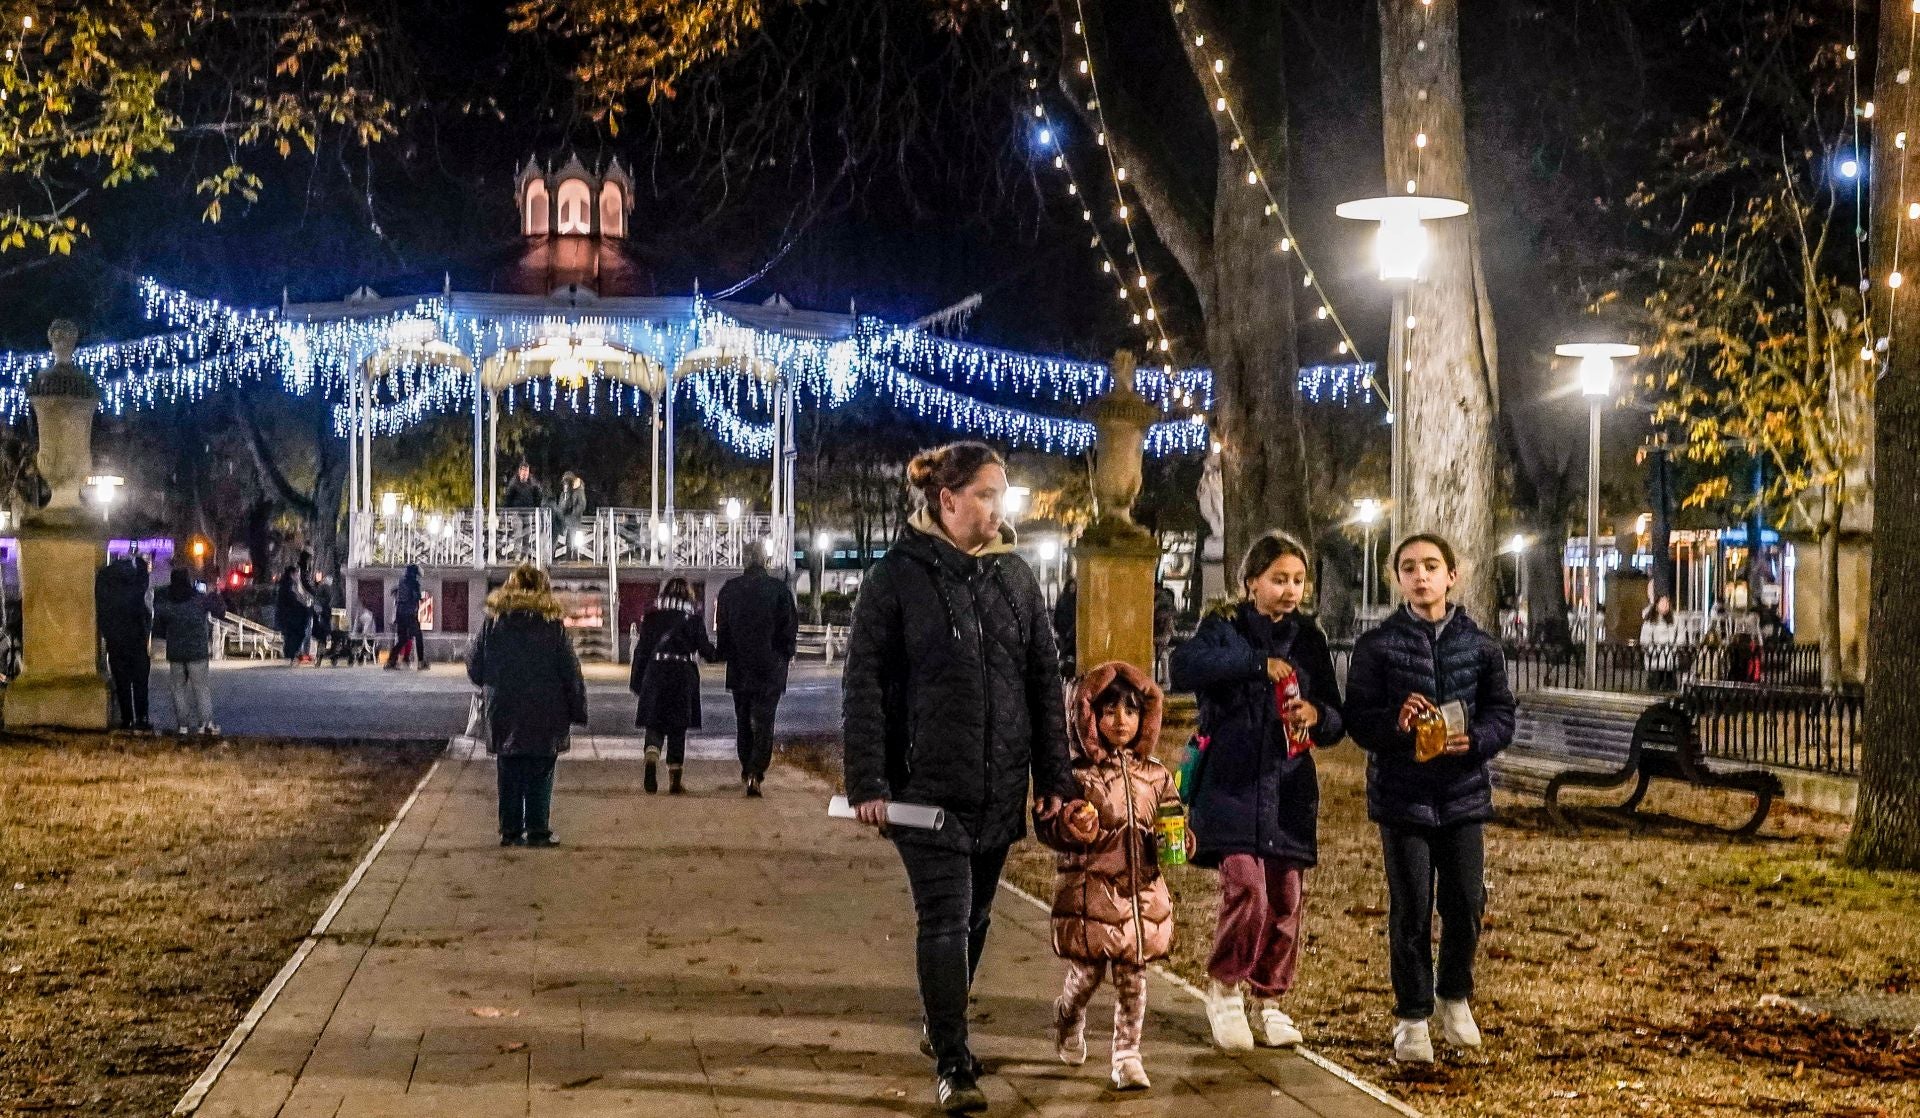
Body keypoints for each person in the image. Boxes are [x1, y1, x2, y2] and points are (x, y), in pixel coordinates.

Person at [842, 440, 1080, 1115]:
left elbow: (1042, 680)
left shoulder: (1016, 577)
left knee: (976, 915)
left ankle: (940, 1022)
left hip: (1000, 785)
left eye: (1000, 494)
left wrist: (1054, 777)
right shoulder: (895, 577)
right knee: (944, 917)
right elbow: (863, 682)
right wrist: (869, 781)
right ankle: (953, 1060)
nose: (996, 507)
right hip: (926, 790)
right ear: (946, 500)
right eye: (984, 494)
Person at [1169, 531, 1345, 1053]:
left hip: (1289, 789)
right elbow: (1184, 668)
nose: (1290, 590)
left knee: (1286, 899)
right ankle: (1224, 987)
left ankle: (1270, 998)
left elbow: (1336, 718)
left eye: (1298, 580)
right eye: (1278, 579)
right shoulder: (1222, 629)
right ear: (1251, 583)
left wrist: (1318, 716)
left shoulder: (1309, 640)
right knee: (1247, 890)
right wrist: (1253, 665)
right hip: (1231, 784)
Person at [1344, 534, 1516, 1064]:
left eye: (1432, 566)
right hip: (1403, 798)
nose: (1421, 576)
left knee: (1465, 901)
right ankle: (1412, 1017)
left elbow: (1501, 715)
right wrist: (1396, 726)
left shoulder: (1481, 646)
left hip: (1462, 794)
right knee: (1412, 908)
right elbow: (1359, 721)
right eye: (1410, 568)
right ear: (1397, 579)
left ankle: (1454, 996)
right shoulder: (1376, 647)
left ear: (1452, 575)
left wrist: (1478, 740)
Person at [1033, 662, 1186, 1092]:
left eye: (1132, 711)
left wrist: (1181, 838)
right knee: (1087, 975)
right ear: (1090, 717)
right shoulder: (1077, 774)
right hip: (1092, 895)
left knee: (1133, 977)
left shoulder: (1155, 774)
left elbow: (1172, 816)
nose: (1121, 720)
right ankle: (1068, 1014)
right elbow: (1048, 823)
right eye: (1110, 710)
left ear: (1146, 718)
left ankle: (1127, 1055)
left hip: (1141, 896)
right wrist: (1070, 823)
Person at [467, 564, 587, 847]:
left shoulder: (494, 623)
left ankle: (509, 830)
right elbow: (570, 670)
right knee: (541, 767)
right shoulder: (552, 626)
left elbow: (475, 667)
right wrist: (577, 706)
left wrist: (493, 681)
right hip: (546, 709)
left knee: (508, 768)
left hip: (503, 707)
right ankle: (537, 829)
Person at [716, 547, 799, 796]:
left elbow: (724, 629)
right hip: (770, 667)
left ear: (743, 560)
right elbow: (789, 629)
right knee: (765, 721)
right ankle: (756, 772)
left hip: (740, 667)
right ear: (765, 560)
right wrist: (784, 654)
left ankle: (747, 766)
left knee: (742, 719)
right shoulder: (779, 590)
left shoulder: (730, 590)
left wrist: (726, 653)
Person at [629, 577, 718, 795]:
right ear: (688, 596)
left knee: (655, 723)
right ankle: (675, 779)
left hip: (655, 670)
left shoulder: (651, 619)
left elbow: (641, 652)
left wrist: (638, 682)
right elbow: (707, 652)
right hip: (681, 672)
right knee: (678, 726)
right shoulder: (693, 620)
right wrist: (726, 652)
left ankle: (651, 754)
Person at [151, 568, 226, 735]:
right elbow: (220, 612)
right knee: (201, 688)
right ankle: (205, 724)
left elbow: (159, 626)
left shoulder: (167, 602)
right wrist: (215, 594)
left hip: (176, 652)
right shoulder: (199, 599)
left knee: (178, 688)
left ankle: (183, 725)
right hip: (197, 651)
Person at [95, 554, 154, 731]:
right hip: (136, 639)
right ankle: (142, 717)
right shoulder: (135, 584)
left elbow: (101, 614)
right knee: (140, 682)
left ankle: (126, 718)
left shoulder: (106, 585)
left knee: (121, 682)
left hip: (116, 641)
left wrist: (108, 634)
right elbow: (144, 591)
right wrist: (142, 564)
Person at [388, 565, 427, 670]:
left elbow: (400, 593)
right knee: (418, 636)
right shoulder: (414, 583)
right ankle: (421, 662)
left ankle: (391, 661)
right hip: (409, 614)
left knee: (402, 639)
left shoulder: (401, 581)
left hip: (400, 614)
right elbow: (417, 597)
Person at [1640, 595, 1682, 692]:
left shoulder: (1675, 619)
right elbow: (1645, 639)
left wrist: (1675, 648)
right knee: (1655, 684)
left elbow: (1680, 635)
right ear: (1656, 605)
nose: (1665, 605)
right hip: (1655, 659)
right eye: (1662, 603)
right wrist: (1653, 652)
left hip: (1670, 658)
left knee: (1670, 685)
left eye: (1667, 603)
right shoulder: (1650, 620)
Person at [276, 566, 311, 664]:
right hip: (292, 616)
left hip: (287, 616)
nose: (298, 576)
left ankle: (291, 655)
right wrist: (305, 606)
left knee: (290, 636)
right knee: (296, 635)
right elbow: (293, 600)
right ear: (292, 574)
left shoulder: (285, 584)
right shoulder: (290, 585)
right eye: (297, 574)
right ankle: (291, 654)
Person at [553, 471, 587, 557]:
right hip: (564, 519)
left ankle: (574, 556)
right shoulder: (564, 493)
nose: (565, 484)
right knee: (566, 537)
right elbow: (561, 506)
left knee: (573, 537)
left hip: (574, 519)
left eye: (566, 482)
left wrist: (574, 512)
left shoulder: (579, 491)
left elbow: (582, 504)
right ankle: (561, 556)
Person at [1052, 575, 1078, 680]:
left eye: (1074, 587)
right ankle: (1063, 672)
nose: (1072, 589)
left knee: (1070, 652)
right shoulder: (1062, 598)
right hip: (1063, 630)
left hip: (1072, 632)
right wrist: (1056, 628)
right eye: (1071, 587)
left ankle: (1069, 672)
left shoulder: (1077, 600)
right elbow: (1057, 613)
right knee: (1063, 652)